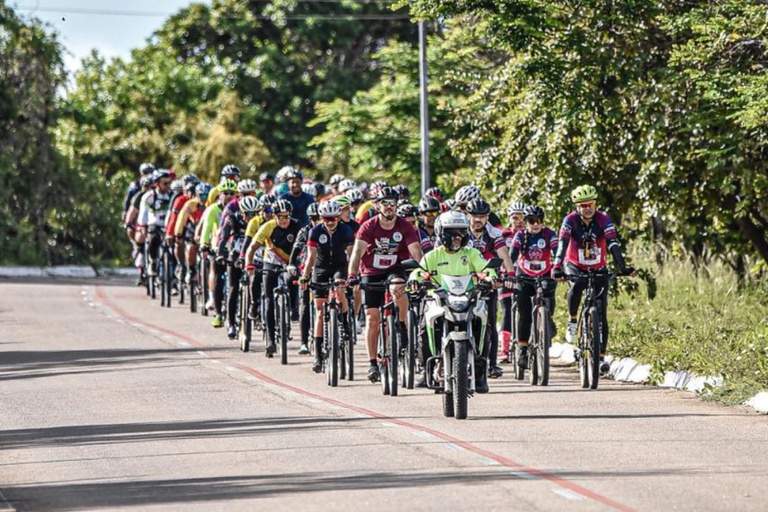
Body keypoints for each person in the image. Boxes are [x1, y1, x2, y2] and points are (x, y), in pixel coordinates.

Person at [407, 210, 499, 393]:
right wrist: (415, 280)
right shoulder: (433, 256)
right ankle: (427, 368)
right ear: (441, 232)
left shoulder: (472, 253)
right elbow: (419, 271)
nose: (457, 237)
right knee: (424, 328)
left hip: (469, 299)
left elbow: (485, 269)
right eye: (452, 232)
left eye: (461, 232)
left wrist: (491, 277)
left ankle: (480, 369)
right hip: (439, 301)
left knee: (485, 324)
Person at [552, 184, 636, 375]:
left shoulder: (603, 219)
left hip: (598, 266)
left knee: (601, 312)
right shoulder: (570, 220)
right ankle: (573, 321)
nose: (587, 208)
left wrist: (623, 267)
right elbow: (562, 244)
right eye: (583, 205)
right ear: (577, 207)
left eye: (590, 204)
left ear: (595, 204)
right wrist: (557, 266)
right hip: (574, 264)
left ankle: (601, 358)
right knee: (576, 285)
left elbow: (613, 244)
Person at [347, 186, 423, 382]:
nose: (389, 207)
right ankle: (373, 363)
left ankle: (402, 325)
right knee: (372, 319)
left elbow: (416, 251)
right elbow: (357, 253)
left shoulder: (404, 226)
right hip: (371, 271)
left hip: (394, 268)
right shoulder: (368, 226)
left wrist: (424, 272)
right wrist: (352, 275)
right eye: (385, 203)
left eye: (393, 203)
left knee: (399, 286)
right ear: (377, 205)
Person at [299, 201, 356, 372]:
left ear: (338, 217)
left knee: (340, 290)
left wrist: (353, 274)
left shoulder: (346, 230)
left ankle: (345, 323)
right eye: (326, 219)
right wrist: (305, 276)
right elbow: (311, 257)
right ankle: (318, 356)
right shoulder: (315, 231)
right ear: (321, 218)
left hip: (340, 267)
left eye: (334, 219)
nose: (330, 222)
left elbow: (351, 255)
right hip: (320, 268)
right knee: (319, 310)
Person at [466, 198, 515, 379]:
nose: (478, 220)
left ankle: (492, 363)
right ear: (468, 216)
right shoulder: (461, 232)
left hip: (488, 281)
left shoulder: (494, 233)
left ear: (487, 218)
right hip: (465, 280)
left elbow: (504, 255)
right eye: (474, 216)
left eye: (482, 216)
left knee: (490, 322)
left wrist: (510, 274)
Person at [245, 199, 302, 356]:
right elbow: (252, 248)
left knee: (292, 279)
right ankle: (270, 340)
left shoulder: (297, 226)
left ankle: (293, 307)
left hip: (290, 262)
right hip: (270, 262)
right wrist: (249, 265)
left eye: (286, 216)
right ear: (274, 216)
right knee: (269, 300)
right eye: (280, 217)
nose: (283, 220)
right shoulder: (268, 226)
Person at [508, 205, 558, 368]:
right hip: (524, 275)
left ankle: (548, 319)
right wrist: (508, 273)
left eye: (539, 221)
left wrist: (561, 267)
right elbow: (512, 255)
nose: (535, 224)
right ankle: (523, 349)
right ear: (526, 222)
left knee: (548, 291)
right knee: (524, 313)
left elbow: (558, 251)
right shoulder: (520, 236)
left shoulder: (549, 234)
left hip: (544, 273)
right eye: (531, 221)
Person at [217, 196, 260, 339]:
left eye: (254, 213)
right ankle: (230, 322)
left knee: (257, 282)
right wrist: (220, 252)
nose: (251, 217)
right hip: (235, 254)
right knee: (233, 288)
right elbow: (224, 236)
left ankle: (256, 309)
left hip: (253, 256)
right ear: (241, 212)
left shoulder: (259, 221)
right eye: (248, 214)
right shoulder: (232, 218)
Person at [199, 179, 238, 328]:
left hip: (235, 248)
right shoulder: (213, 210)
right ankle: (219, 314)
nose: (228, 196)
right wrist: (204, 244)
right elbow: (207, 228)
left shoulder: (238, 209)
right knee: (218, 279)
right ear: (219, 195)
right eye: (225, 193)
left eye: (231, 193)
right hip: (218, 247)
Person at [288, 202, 321, 355]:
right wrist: (291, 263)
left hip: (324, 268)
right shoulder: (305, 231)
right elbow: (296, 248)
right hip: (307, 268)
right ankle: (304, 342)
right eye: (313, 219)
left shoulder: (330, 230)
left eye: (319, 218)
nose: (317, 221)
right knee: (305, 303)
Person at [499, 200, 527, 364]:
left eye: (522, 218)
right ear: (510, 218)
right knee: (507, 310)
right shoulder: (503, 235)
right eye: (515, 218)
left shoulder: (530, 235)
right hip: (507, 277)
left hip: (525, 276)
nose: (519, 222)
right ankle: (504, 350)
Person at [137, 169, 173, 277]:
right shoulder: (149, 197)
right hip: (154, 224)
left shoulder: (173, 195)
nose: (168, 186)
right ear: (157, 183)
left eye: (169, 183)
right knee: (153, 239)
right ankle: (152, 261)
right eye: (165, 183)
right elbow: (143, 214)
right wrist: (143, 228)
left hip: (169, 226)